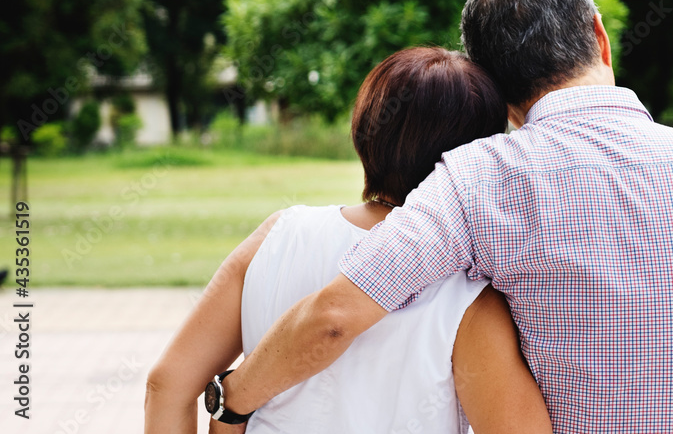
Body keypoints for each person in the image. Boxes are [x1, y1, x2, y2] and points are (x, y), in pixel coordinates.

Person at [212, 0, 673, 433]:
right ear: (599, 35)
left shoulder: (477, 180)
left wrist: (233, 402)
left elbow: (336, 317)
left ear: (494, 85)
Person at [144, 47, 553, 434]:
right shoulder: (469, 291)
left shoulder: (278, 234)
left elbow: (167, 385)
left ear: (363, 131)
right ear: (477, 159)